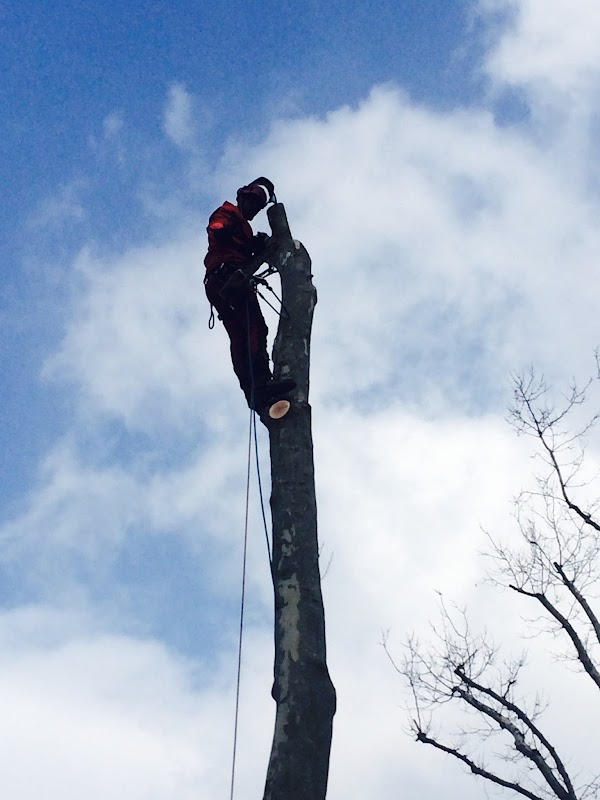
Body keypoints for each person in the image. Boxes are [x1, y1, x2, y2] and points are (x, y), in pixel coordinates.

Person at [203, 178, 295, 410]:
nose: (253, 209)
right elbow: (217, 230)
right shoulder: (228, 213)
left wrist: (256, 243)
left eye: (258, 206)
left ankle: (254, 391)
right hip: (226, 279)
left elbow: (242, 243)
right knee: (253, 329)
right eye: (252, 202)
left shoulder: (242, 226)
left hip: (224, 281)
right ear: (242, 197)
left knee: (243, 335)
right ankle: (260, 384)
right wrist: (237, 238)